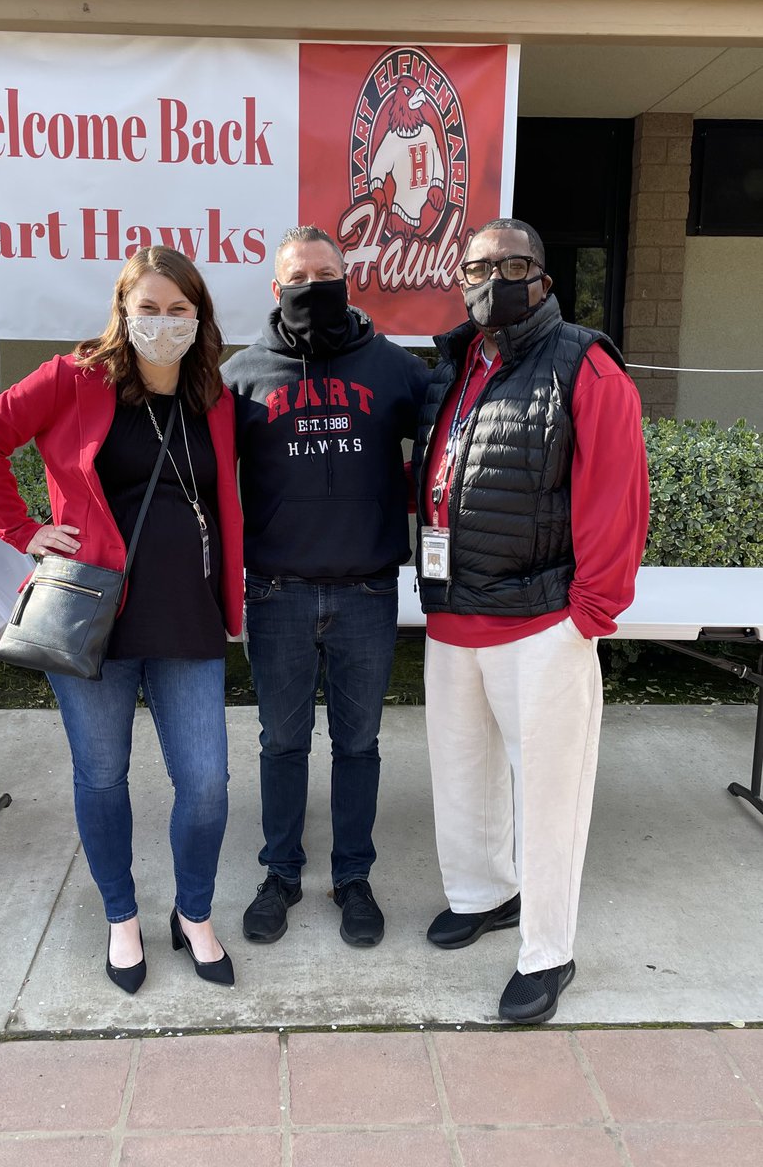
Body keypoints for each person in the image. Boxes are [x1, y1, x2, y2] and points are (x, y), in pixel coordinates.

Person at [0, 247, 244, 992]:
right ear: (121, 311)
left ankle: (194, 913)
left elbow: (225, 501)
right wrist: (23, 530)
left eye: (179, 309)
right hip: (92, 621)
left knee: (207, 786)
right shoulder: (74, 378)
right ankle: (121, 917)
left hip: (188, 618)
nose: (163, 322)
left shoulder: (213, 394)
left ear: (199, 317)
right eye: (148, 307)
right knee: (103, 777)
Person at [413, 218, 649, 1023]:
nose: (493, 279)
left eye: (512, 265)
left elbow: (618, 493)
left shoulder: (583, 362)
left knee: (549, 797)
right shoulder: (456, 363)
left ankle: (549, 951)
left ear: (543, 277)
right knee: (462, 776)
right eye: (478, 266)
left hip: (542, 622)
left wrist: (590, 614)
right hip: (454, 617)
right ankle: (483, 893)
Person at [222, 225, 431, 948]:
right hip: (277, 592)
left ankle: (353, 878)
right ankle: (280, 873)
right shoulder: (242, 376)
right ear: (277, 290)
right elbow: (207, 479)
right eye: (299, 276)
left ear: (348, 280)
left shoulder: (393, 369)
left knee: (359, 745)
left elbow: (443, 449)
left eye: (325, 272)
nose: (314, 285)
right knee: (281, 743)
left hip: (367, 594)